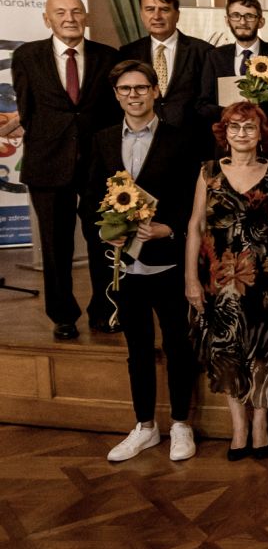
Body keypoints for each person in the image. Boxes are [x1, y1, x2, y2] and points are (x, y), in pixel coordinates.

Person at [89, 61, 201, 462]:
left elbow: (192, 199)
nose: (133, 95)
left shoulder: (181, 139)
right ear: (116, 95)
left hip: (168, 262)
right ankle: (145, 426)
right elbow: (90, 197)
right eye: (125, 89)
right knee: (137, 348)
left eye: (140, 88)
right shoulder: (102, 140)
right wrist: (106, 232)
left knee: (177, 344)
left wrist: (169, 228)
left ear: (155, 91)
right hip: (124, 267)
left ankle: (182, 424)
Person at [185, 102, 268, 461]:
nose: (242, 133)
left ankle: (260, 424)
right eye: (234, 127)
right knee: (226, 349)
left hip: (265, 276)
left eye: (249, 127)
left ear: (261, 134)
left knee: (264, 349)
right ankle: (238, 427)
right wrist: (190, 278)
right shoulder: (208, 171)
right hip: (219, 278)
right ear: (224, 133)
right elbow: (195, 225)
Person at [13, 0, 121, 339]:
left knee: (102, 240)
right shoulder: (27, 56)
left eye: (76, 11)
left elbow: (114, 115)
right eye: (60, 13)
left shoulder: (109, 57)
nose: (69, 18)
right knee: (55, 245)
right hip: (47, 164)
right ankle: (62, 315)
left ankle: (104, 311)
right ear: (47, 20)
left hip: (97, 167)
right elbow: (27, 111)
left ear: (86, 17)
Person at [198, 0, 268, 147]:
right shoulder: (214, 57)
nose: (242, 21)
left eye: (249, 16)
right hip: (228, 143)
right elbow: (202, 105)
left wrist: (258, 115)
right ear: (227, 20)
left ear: (261, 21)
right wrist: (233, 113)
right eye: (236, 15)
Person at [118, 0, 214, 138]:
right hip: (143, 140)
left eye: (164, 9)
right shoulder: (128, 53)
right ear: (141, 14)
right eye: (150, 9)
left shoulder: (203, 51)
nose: (157, 16)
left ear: (177, 15)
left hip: (191, 141)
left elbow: (208, 103)